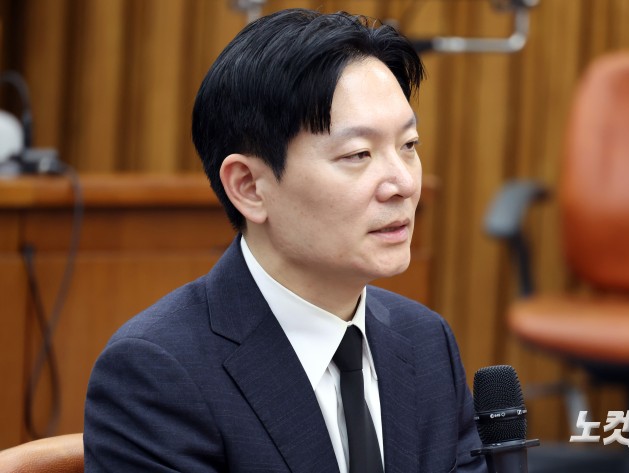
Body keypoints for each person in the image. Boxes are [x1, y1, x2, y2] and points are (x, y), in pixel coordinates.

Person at [84, 8, 485, 472]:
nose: (403, 183)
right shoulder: (157, 373)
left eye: (408, 146)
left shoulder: (426, 342)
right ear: (249, 187)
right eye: (358, 154)